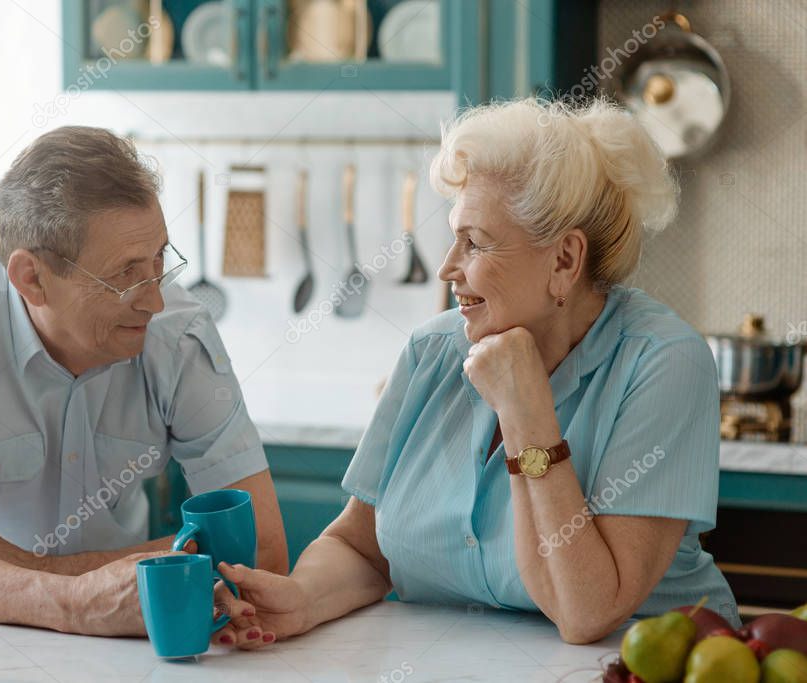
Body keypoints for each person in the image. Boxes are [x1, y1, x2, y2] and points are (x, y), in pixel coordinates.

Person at [212, 97, 737, 647]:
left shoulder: (663, 362)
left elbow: (587, 613)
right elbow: (361, 549)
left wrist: (525, 412)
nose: (447, 268)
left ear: (564, 260)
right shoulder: (432, 351)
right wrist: (301, 600)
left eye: (475, 242)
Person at [0, 126, 286, 639]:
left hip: (120, 628)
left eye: (159, 261)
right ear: (32, 279)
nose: (154, 300)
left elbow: (260, 552)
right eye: (126, 275)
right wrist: (81, 599)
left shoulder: (179, 332)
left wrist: (41, 576)